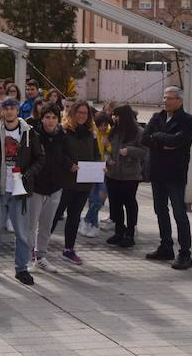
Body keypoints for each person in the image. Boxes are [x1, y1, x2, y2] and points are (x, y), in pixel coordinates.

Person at [0, 97, 43, 286]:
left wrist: (29, 174)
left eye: (13, 108)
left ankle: (21, 269)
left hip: (20, 191)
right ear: (2, 111)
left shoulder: (29, 133)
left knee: (21, 233)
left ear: (18, 110)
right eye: (6, 108)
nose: (10, 111)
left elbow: (40, 158)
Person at [142, 86, 192, 270]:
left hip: (175, 174)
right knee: (160, 210)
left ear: (179, 100)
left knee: (179, 213)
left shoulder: (188, 121)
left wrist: (157, 137)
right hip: (157, 172)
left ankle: (185, 253)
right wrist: (163, 142)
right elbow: (144, 139)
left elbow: (178, 141)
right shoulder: (157, 117)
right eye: (164, 97)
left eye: (170, 98)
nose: (165, 101)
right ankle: (166, 246)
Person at [51, 101, 100, 266]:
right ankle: (37, 247)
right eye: (79, 112)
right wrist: (68, 165)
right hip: (65, 182)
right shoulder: (63, 131)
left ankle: (69, 250)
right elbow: (57, 153)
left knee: (74, 217)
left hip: (84, 183)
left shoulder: (90, 134)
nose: (81, 116)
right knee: (54, 216)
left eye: (85, 113)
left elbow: (96, 155)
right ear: (72, 113)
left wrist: (101, 167)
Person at [27, 104, 72, 274]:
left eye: (54, 117)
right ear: (42, 118)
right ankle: (25, 258)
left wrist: (70, 165)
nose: (50, 121)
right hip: (37, 187)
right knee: (30, 225)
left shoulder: (63, 135)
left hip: (55, 187)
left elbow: (66, 156)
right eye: (47, 117)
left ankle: (41, 257)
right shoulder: (34, 135)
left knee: (46, 225)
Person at [105, 104, 145, 249]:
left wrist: (129, 150)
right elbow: (106, 149)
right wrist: (108, 158)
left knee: (129, 203)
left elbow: (145, 151)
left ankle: (130, 233)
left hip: (130, 175)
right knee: (115, 204)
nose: (114, 118)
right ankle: (119, 231)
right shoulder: (114, 131)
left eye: (117, 115)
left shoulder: (138, 132)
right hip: (112, 174)